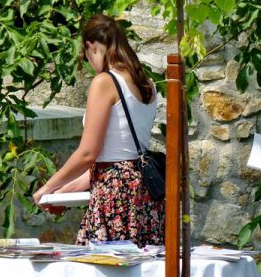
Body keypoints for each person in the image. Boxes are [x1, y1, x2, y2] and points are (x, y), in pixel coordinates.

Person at [32, 14, 164, 247]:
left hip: (115, 194)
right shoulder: (147, 84)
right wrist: (61, 193)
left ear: (91, 46)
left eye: (86, 57)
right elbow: (114, 161)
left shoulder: (105, 82)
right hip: (143, 190)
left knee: (99, 265)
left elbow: (88, 154)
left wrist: (48, 186)